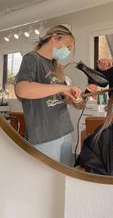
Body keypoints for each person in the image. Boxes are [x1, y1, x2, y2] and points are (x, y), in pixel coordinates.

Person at [15, 25, 82, 166]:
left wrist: (75, 97)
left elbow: (63, 98)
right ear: (54, 38)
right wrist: (63, 87)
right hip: (44, 135)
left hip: (64, 131)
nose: (67, 51)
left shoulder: (56, 67)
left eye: (70, 49)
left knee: (64, 180)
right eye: (67, 46)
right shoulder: (32, 59)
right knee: (45, 180)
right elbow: (22, 90)